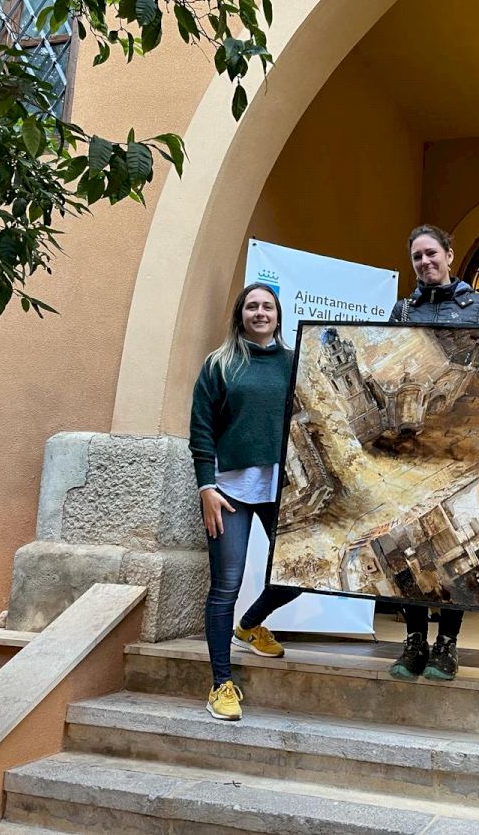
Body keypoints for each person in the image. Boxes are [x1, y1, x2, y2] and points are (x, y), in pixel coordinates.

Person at [387, 224, 479, 682]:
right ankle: (414, 640)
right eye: (417, 256)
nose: (425, 262)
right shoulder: (402, 309)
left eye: (432, 253)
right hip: (413, 438)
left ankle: (446, 645)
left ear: (449, 255)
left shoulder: (478, 306)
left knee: (456, 541)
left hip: (460, 438)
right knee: (409, 534)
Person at [189, 283, 303, 721]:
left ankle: (250, 625)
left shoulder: (293, 362)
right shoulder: (219, 364)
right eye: (252, 306)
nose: (260, 313)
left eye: (267, 307)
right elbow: (201, 430)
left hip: (281, 490)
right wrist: (206, 488)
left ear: (278, 315)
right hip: (228, 492)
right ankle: (221, 683)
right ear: (240, 314)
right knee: (225, 587)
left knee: (299, 574)